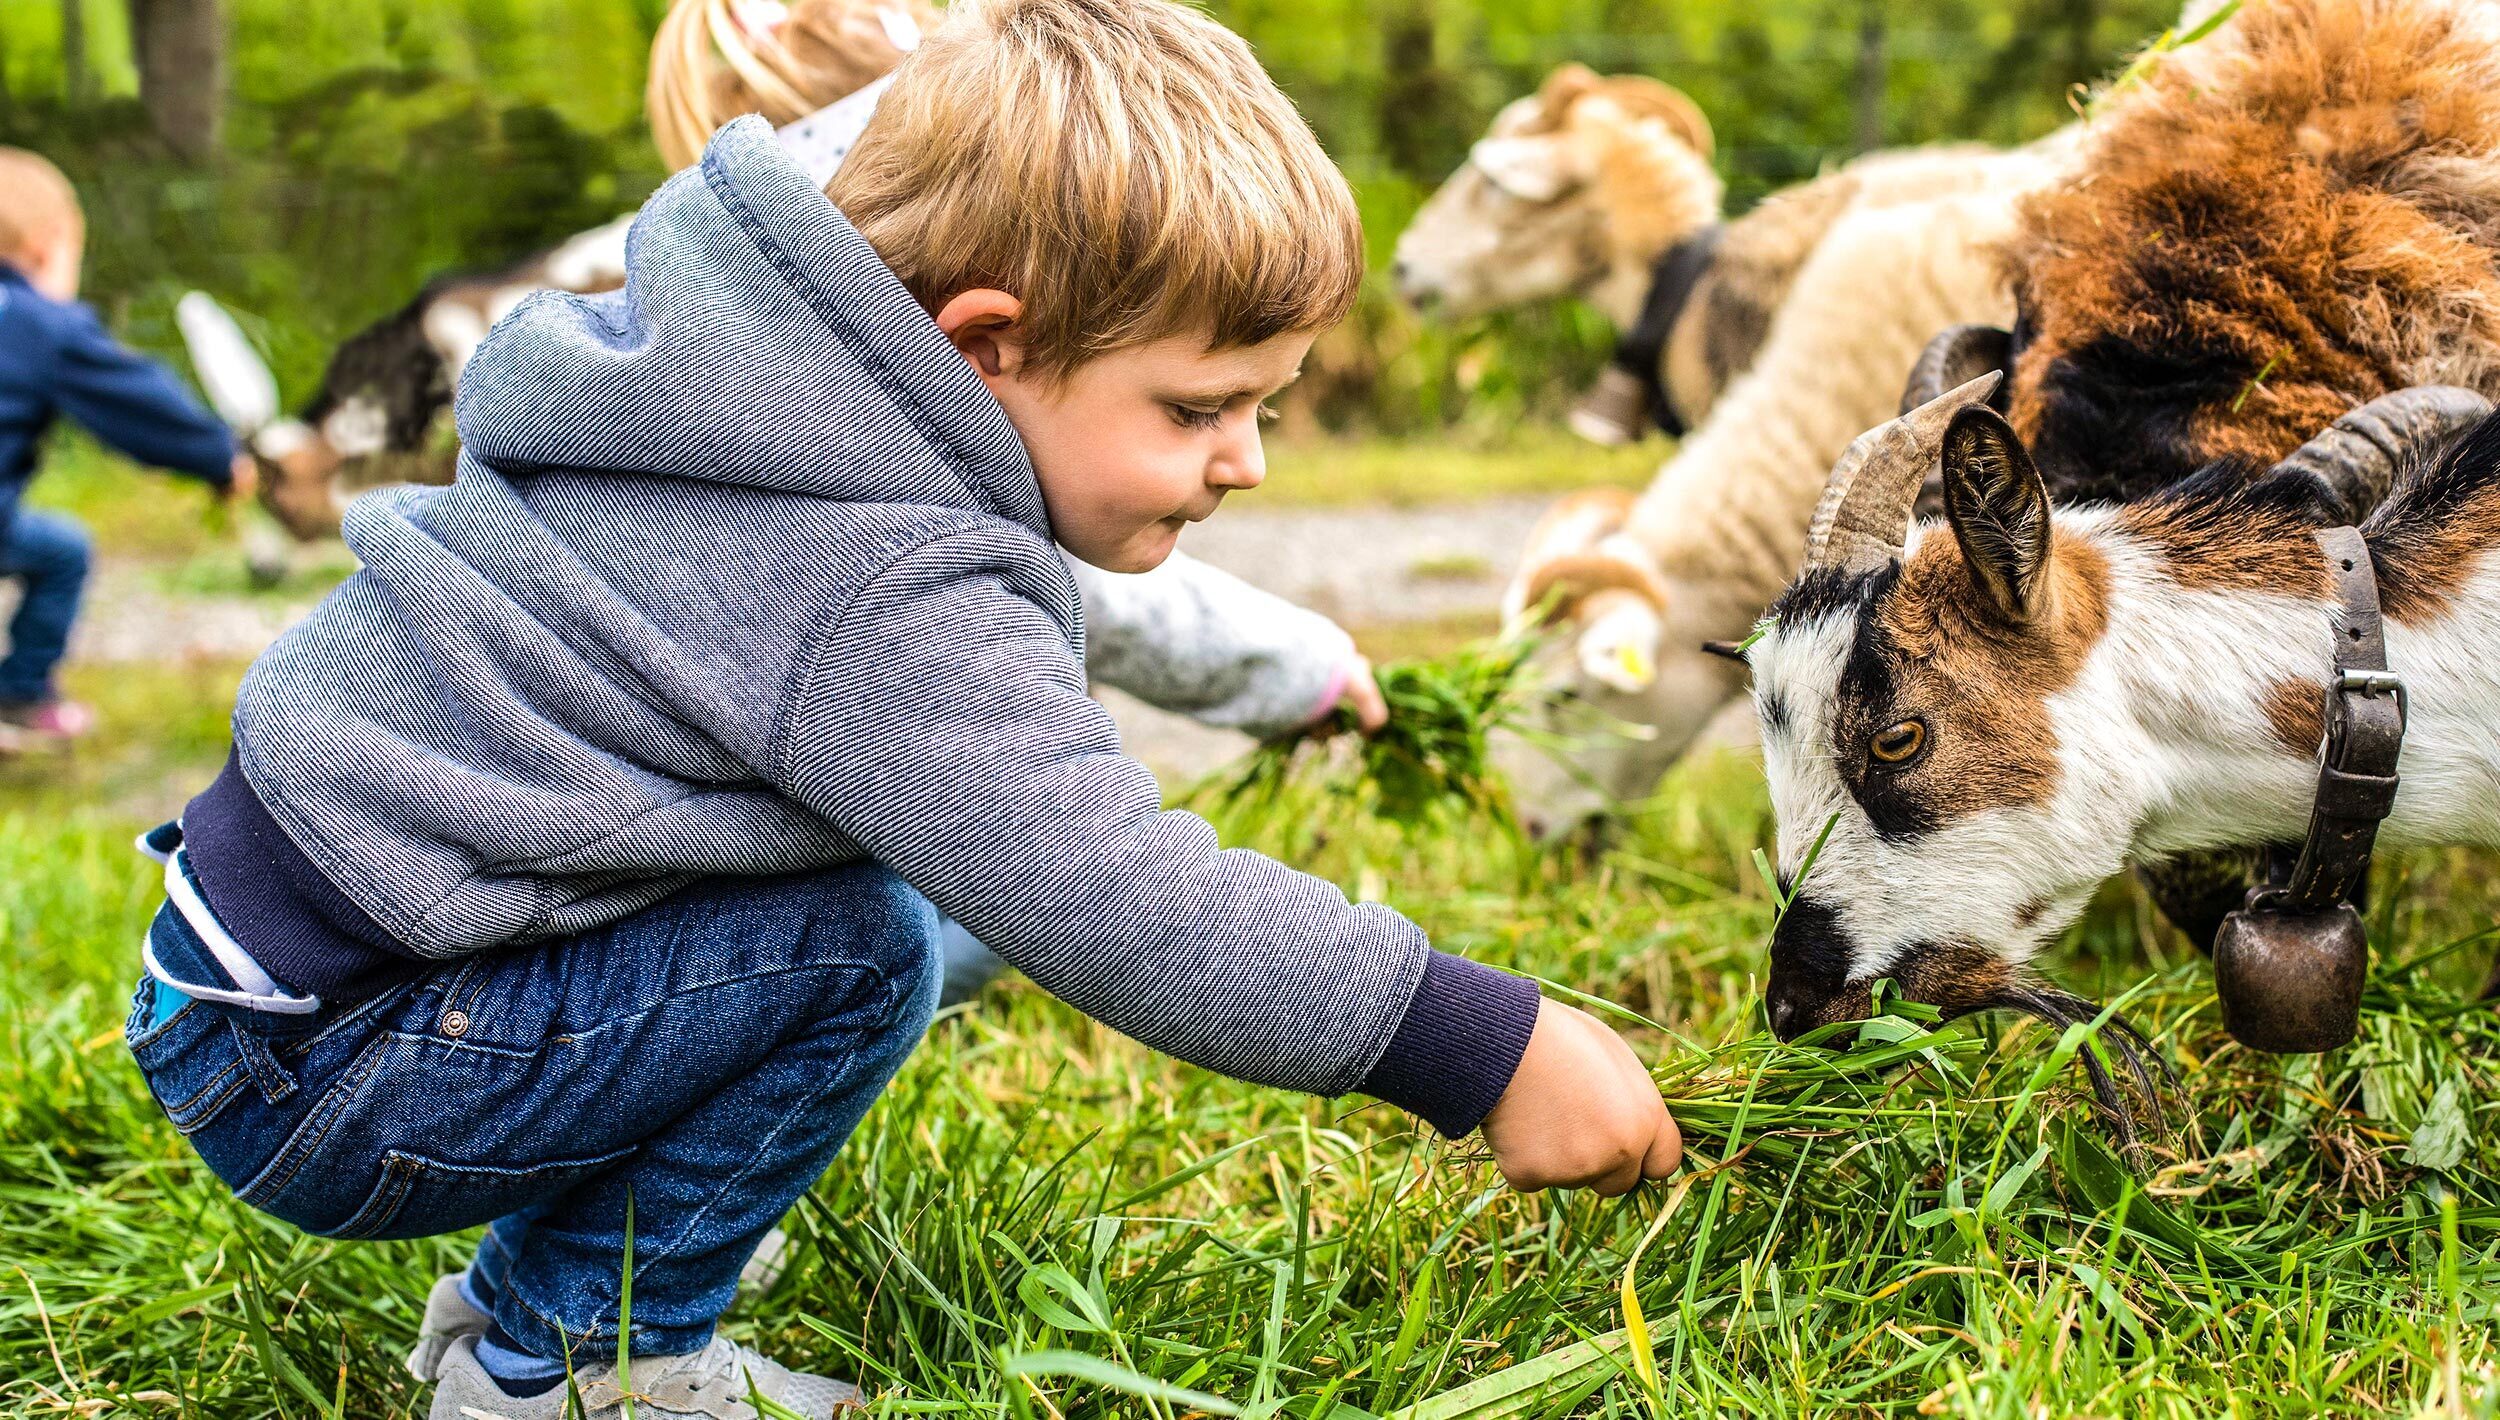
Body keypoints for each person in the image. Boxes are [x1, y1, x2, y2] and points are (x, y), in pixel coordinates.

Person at [123, 3, 1684, 1415]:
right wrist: (1479, 1043)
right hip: (340, 1061)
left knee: (871, 908)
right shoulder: (877, 572)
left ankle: (567, 1296)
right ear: (985, 346)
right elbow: (1117, 899)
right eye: (1201, 408)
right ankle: (581, 1362)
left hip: (266, 982)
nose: (1249, 461)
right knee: (855, 945)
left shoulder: (729, 398)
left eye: (1264, 406)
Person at [0, 148, 256, 752]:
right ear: (47, 245)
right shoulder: (40, 324)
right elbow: (142, 404)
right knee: (63, 552)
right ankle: (20, 693)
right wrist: (219, 458)